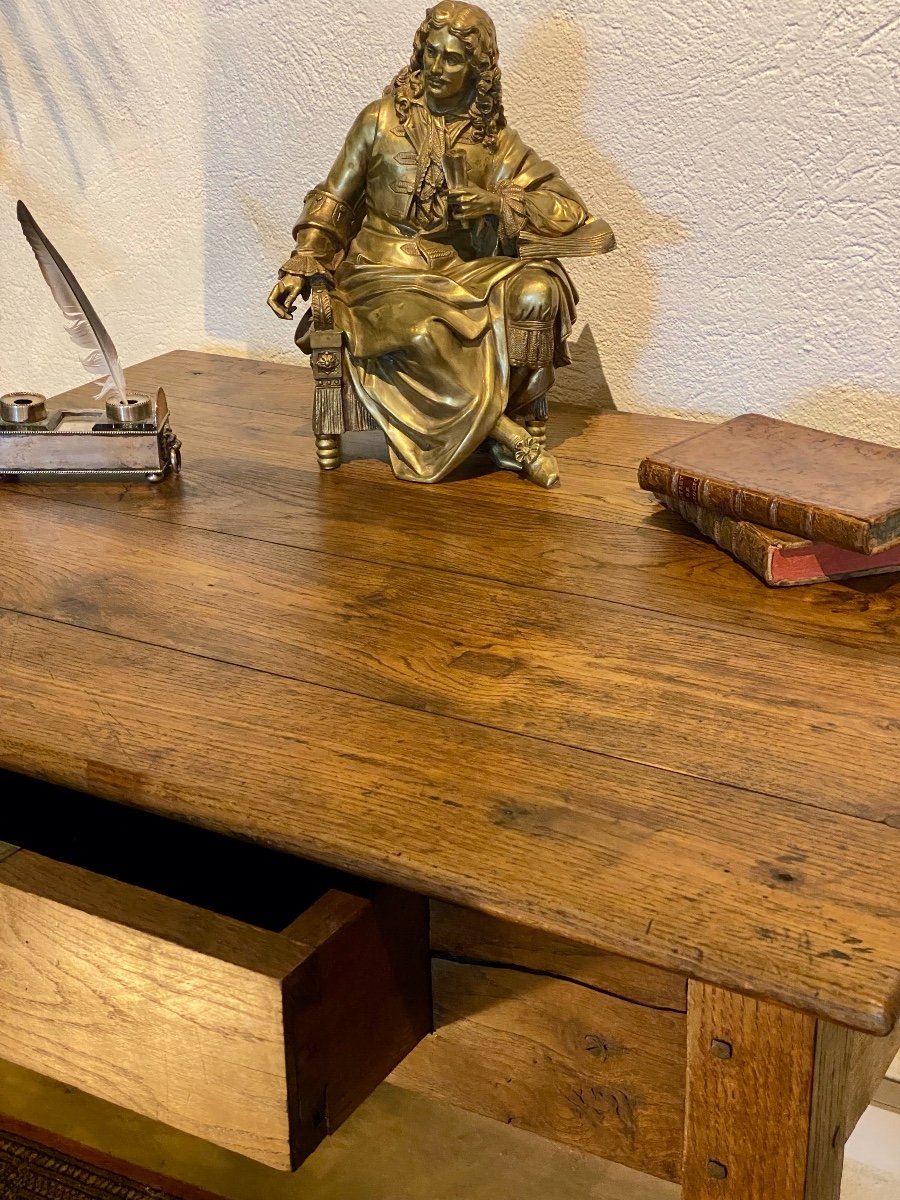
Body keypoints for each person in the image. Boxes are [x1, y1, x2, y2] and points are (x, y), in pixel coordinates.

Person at [268, 1, 591, 487]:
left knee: (537, 291)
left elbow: (570, 211)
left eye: (454, 59)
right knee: (422, 332)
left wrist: (495, 205)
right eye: (431, 54)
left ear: (477, 68)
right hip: (382, 269)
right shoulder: (378, 121)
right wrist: (301, 262)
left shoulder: (493, 140)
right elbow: (332, 199)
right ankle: (508, 436)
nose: (437, 68)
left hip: (459, 268)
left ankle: (503, 424)